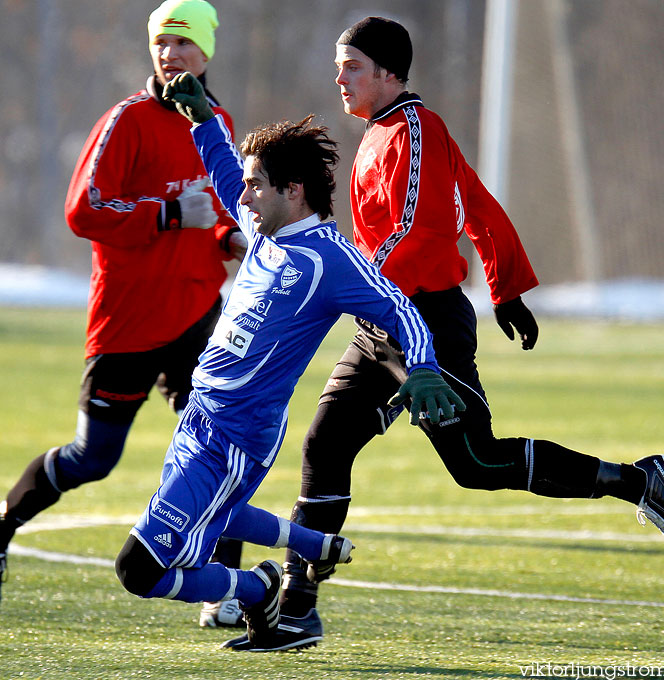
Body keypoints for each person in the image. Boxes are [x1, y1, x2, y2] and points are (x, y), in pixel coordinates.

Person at [222, 16, 664, 653]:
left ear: (390, 73)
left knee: (478, 464)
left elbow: (418, 230)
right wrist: (506, 285)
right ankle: (299, 609)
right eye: (339, 65)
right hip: (382, 322)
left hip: (427, 327)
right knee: (325, 446)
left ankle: (639, 481)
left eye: (352, 65)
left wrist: (370, 284)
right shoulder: (380, 133)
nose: (340, 76)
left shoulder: (417, 129)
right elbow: (476, 202)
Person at [113, 72, 465, 650]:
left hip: (235, 434)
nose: (243, 199)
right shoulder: (264, 229)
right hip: (199, 416)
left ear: (293, 190)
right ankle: (306, 548)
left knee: (139, 570)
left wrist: (423, 366)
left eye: (257, 187)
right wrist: (203, 120)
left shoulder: (331, 259)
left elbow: (400, 308)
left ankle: (255, 588)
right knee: (216, 516)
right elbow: (227, 174)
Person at [0, 0, 246, 622]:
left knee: (223, 448)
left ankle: (229, 593)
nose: (170, 54)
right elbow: (83, 212)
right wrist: (166, 215)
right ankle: (2, 528)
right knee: (93, 459)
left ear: (206, 52)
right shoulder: (125, 120)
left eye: (183, 43)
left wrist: (229, 239)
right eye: (162, 43)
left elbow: (215, 218)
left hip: (197, 313)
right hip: (128, 321)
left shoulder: (218, 120)